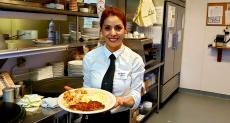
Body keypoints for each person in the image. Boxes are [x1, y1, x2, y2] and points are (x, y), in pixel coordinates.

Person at [65, 7, 145, 123]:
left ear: (125, 30)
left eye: (118, 28)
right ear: (101, 31)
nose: (113, 33)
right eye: (107, 28)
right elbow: (88, 88)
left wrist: (122, 101)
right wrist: (77, 95)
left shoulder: (135, 60)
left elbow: (136, 95)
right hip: (91, 117)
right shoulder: (90, 57)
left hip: (119, 118)